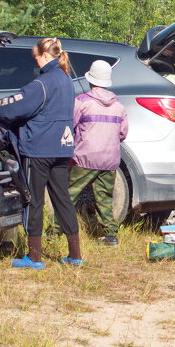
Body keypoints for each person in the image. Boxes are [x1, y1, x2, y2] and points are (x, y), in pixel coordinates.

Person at [0, 38, 81, 270]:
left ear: (45, 56)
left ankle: (34, 257)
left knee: (33, 200)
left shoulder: (41, 84)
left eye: (36, 57)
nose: (35, 62)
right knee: (62, 199)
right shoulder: (67, 80)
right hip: (61, 148)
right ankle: (75, 255)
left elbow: (16, 107)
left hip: (38, 150)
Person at [68, 60, 129, 248]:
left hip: (85, 157)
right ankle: (111, 236)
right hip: (110, 159)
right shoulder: (118, 105)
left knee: (68, 195)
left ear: (90, 79)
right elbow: (123, 133)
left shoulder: (81, 102)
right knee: (104, 198)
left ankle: (54, 230)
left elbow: (70, 126)